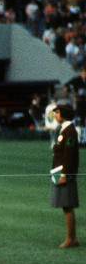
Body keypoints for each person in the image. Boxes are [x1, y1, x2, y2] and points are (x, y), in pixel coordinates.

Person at [51, 104, 79, 248]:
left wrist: (64, 175)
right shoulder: (62, 129)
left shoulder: (70, 131)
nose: (55, 115)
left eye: (57, 112)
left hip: (64, 173)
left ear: (64, 114)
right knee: (65, 205)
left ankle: (71, 238)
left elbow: (69, 155)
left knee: (67, 205)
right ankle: (71, 237)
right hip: (59, 172)